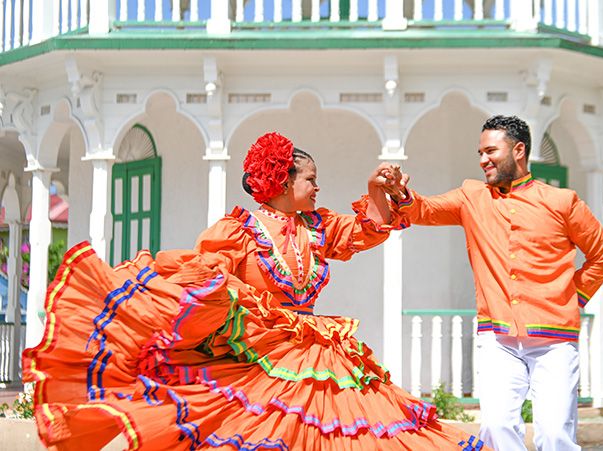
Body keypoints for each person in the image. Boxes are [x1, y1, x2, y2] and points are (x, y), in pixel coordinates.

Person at [23, 132, 488, 450]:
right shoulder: (239, 230)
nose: (317, 185)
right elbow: (207, 273)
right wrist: (176, 301)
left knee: (342, 425)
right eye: (310, 178)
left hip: (317, 346)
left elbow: (372, 228)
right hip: (259, 353)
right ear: (284, 180)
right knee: (270, 430)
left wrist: (375, 188)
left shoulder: (318, 226)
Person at [392, 115, 603, 451]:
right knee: (497, 427)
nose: (483, 159)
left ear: (518, 150)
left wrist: (574, 298)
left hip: (555, 342)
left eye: (490, 151)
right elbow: (423, 210)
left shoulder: (562, 202)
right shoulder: (472, 196)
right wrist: (400, 193)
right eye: (480, 153)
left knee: (555, 433)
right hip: (497, 338)